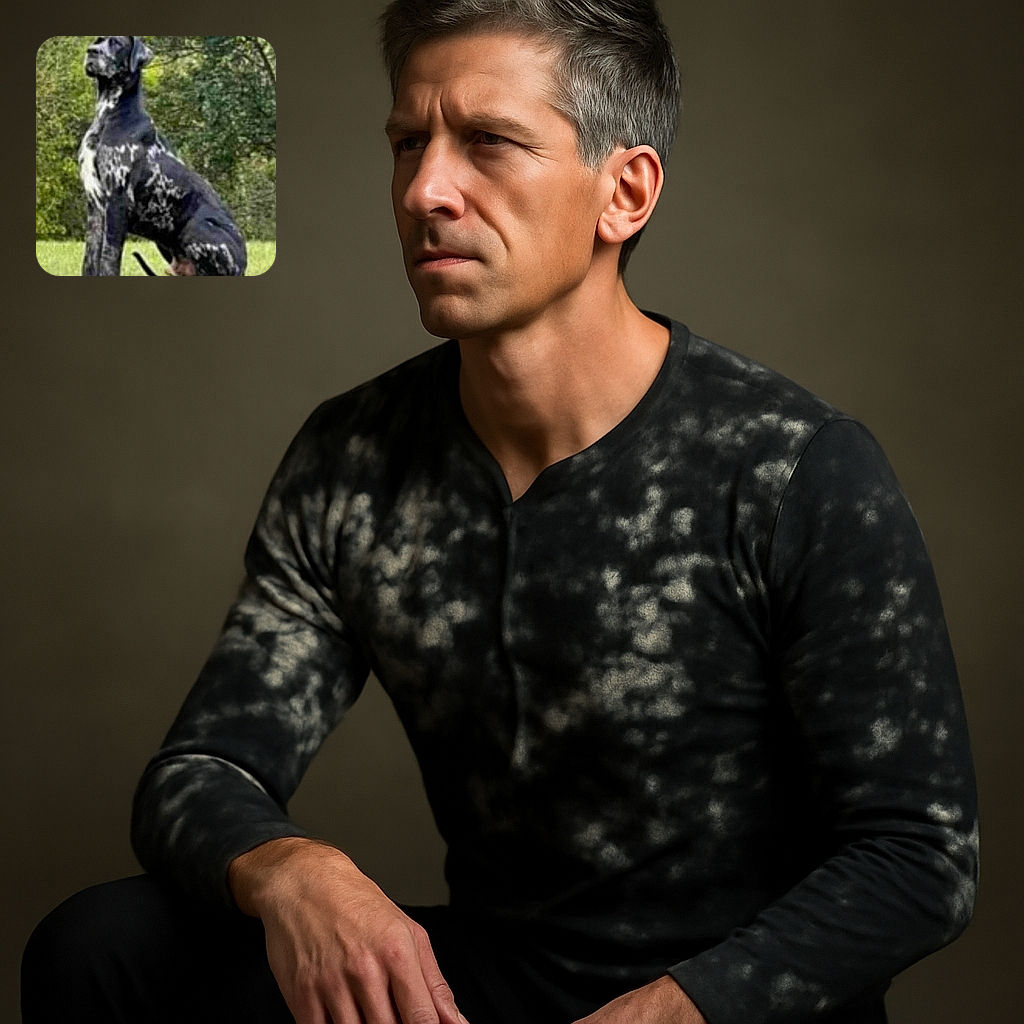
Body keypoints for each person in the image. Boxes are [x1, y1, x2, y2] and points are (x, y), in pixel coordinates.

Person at [23, 2, 978, 1023]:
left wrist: (680, 1007)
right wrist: (294, 868)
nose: (426, 190)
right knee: (104, 948)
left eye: (488, 142)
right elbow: (200, 770)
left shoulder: (795, 467)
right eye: (406, 143)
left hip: (730, 1000)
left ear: (624, 191)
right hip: (486, 983)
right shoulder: (355, 459)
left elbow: (919, 854)